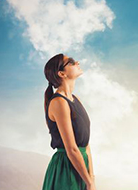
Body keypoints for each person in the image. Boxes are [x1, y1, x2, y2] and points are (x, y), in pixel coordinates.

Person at [42, 53, 96, 190]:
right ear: (61, 73)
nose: (77, 62)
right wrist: (89, 183)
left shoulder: (75, 99)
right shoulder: (59, 102)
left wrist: (91, 178)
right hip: (66, 168)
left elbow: (85, 143)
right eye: (71, 62)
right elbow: (71, 149)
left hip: (81, 165)